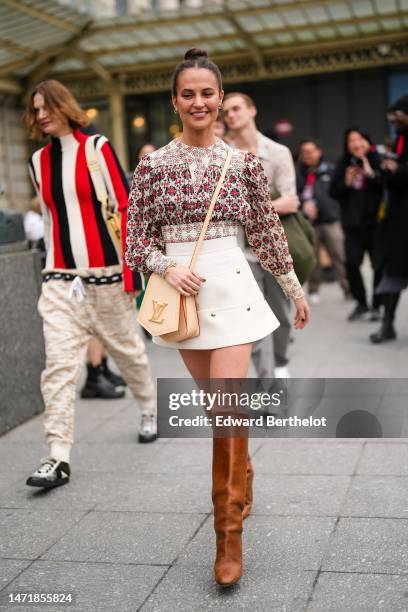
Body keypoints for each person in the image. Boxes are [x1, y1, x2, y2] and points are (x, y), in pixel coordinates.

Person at [125, 48, 309, 587]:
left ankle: (227, 537)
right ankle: (242, 469)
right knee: (220, 414)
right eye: (189, 94)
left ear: (221, 99)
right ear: (175, 102)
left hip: (235, 290)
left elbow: (268, 234)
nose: (199, 101)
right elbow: (136, 240)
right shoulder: (153, 166)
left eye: (208, 93)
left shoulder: (245, 165)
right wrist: (167, 266)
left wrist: (293, 289)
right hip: (185, 300)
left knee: (227, 410)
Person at [24, 80, 157, 490]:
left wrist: (133, 271)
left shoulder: (96, 149)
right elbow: (49, 218)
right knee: (59, 367)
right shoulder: (37, 161)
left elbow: (125, 206)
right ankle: (57, 455)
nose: (42, 114)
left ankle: (150, 407)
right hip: (61, 280)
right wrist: (50, 265)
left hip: (108, 278)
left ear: (66, 106)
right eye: (36, 109)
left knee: (129, 352)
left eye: (47, 106)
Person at [222, 92, 300, 379]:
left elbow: (291, 200)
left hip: (275, 249)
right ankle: (269, 385)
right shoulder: (223, 156)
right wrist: (269, 207)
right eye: (226, 111)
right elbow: (228, 209)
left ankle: (280, 364)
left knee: (281, 317)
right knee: (254, 320)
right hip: (239, 253)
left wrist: (249, 210)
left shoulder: (279, 153)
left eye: (236, 108)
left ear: (252, 110)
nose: (231, 115)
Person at [331, 128, 384, 321]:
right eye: (351, 140)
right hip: (352, 225)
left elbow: (389, 184)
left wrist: (371, 173)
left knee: (379, 266)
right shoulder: (343, 163)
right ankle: (361, 303)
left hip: (376, 224)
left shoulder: (378, 160)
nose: (356, 144)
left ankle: (378, 305)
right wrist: (346, 182)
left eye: (359, 139)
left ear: (368, 141)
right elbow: (333, 192)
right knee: (352, 264)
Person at [370, 95, 408, 343]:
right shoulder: (399, 141)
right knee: (391, 274)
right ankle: (387, 324)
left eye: (397, 116)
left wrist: (400, 170)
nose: (393, 121)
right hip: (397, 222)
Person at [297, 139, 349, 303]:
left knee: (339, 255)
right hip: (310, 223)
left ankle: (348, 288)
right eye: (304, 152)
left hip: (330, 220)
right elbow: (293, 194)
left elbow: (339, 190)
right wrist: (304, 203)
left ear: (319, 151)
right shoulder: (299, 174)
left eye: (311, 151)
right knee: (313, 259)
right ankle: (313, 290)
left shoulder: (329, 170)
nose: (308, 155)